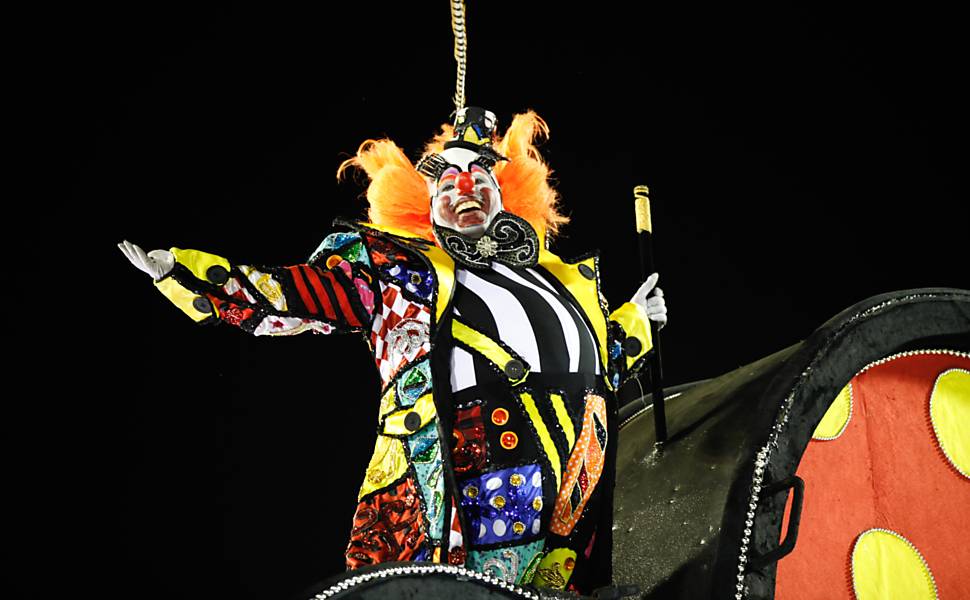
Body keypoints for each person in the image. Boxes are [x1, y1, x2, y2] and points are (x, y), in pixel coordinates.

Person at [118, 107, 667, 595]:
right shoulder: (399, 273)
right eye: (447, 182)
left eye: (481, 176)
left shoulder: (561, 281)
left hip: (574, 488)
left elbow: (599, 364)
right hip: (471, 475)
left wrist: (637, 322)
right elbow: (302, 295)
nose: (465, 187)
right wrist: (196, 278)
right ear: (425, 204)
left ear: (507, 192)